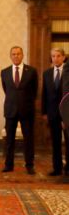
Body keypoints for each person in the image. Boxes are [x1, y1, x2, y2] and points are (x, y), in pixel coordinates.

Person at [0, 46, 38, 174]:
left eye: (18, 54)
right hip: (10, 109)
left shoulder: (31, 71)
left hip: (27, 110)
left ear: (22, 55)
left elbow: (34, 92)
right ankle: (8, 165)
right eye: (13, 54)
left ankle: (29, 165)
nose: (16, 56)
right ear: (10, 56)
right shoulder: (4, 72)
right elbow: (6, 90)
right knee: (10, 140)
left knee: (28, 139)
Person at [41, 48, 69, 176]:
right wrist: (44, 112)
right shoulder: (47, 73)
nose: (55, 58)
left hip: (67, 113)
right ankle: (57, 168)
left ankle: (68, 168)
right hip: (52, 113)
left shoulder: (68, 72)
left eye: (58, 56)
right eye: (53, 56)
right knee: (56, 142)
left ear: (63, 57)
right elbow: (44, 94)